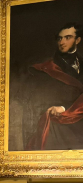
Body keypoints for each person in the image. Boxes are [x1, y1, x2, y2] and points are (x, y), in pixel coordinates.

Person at [27, 22, 83, 150]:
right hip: (62, 123)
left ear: (78, 40)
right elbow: (48, 99)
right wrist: (64, 108)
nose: (62, 42)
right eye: (59, 38)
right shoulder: (48, 69)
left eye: (67, 37)